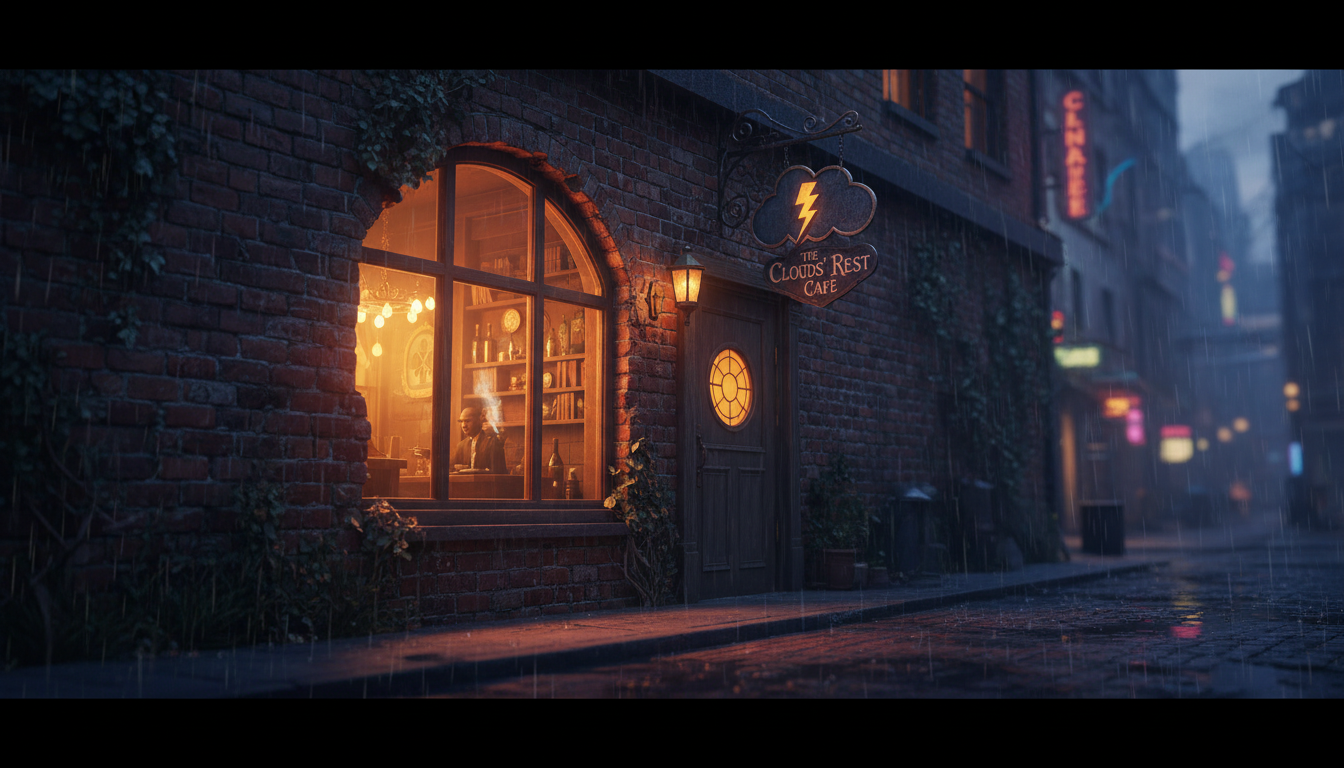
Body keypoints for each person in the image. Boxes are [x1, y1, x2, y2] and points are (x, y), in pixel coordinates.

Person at [452, 407, 507, 473]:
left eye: (467, 421)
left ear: (479, 421)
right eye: (461, 421)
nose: (463, 425)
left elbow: (498, 472)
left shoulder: (492, 442)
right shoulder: (461, 446)